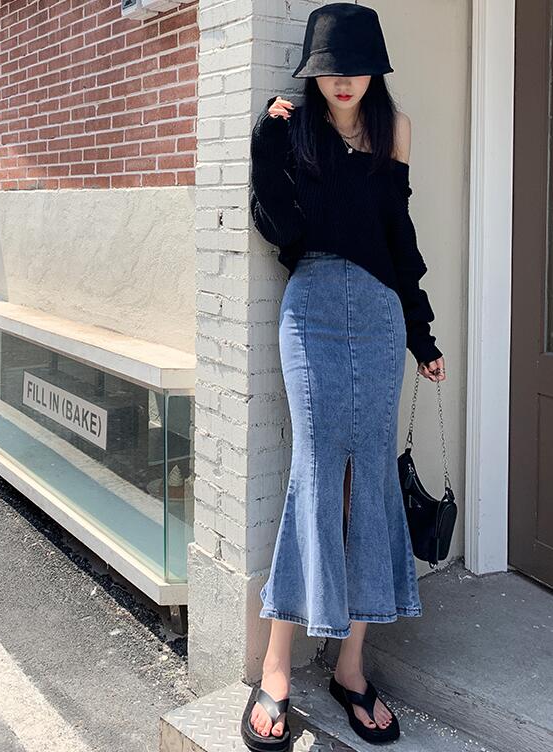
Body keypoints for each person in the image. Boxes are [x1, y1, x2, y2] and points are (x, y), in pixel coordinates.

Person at [239, 4, 447, 750]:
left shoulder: (396, 132)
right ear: (313, 71)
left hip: (381, 314)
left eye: (356, 66)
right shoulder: (295, 130)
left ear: (374, 70)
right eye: (330, 68)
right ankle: (276, 667)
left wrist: (420, 331)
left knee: (373, 482)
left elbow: (398, 235)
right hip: (313, 311)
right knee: (317, 472)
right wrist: (265, 138)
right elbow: (279, 227)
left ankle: (351, 667)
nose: (344, 80)